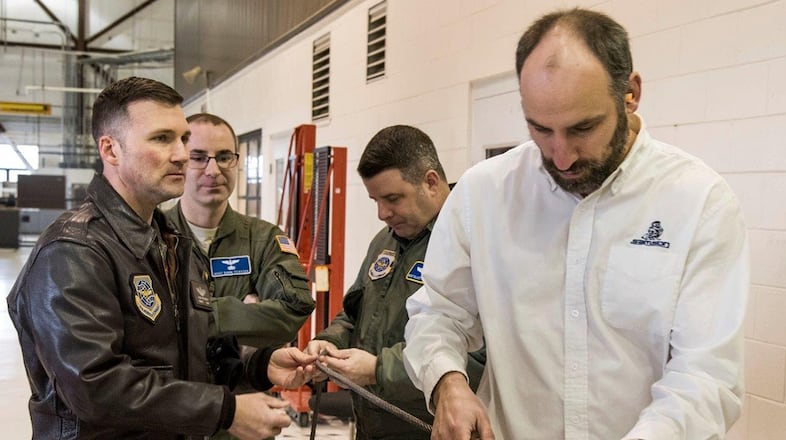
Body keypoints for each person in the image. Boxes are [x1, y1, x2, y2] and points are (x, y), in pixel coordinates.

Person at [403, 8, 749, 440]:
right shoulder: (482, 194)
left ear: (631, 93)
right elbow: (437, 313)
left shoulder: (698, 202)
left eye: (582, 128)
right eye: (540, 129)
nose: (561, 156)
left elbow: (706, 377)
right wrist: (447, 382)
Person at [6, 76, 317, 440]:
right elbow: (95, 387)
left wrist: (260, 367)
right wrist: (225, 410)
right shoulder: (75, 251)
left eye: (183, 138)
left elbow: (189, 359)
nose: (182, 154)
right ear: (110, 150)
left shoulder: (168, 241)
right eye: (161, 138)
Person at [305, 125, 485, 440]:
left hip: (429, 428)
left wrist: (378, 368)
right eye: (375, 200)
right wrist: (330, 343)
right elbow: (354, 313)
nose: (381, 213)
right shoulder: (384, 242)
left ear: (430, 182)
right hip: (372, 424)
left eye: (392, 199)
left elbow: (481, 357)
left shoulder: (474, 241)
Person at [165, 113, 314, 348]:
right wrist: (246, 314)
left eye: (224, 157)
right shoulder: (152, 237)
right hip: (171, 385)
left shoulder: (263, 240)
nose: (213, 170)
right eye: (199, 157)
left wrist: (210, 315)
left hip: (245, 384)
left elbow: (295, 307)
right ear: (180, 161)